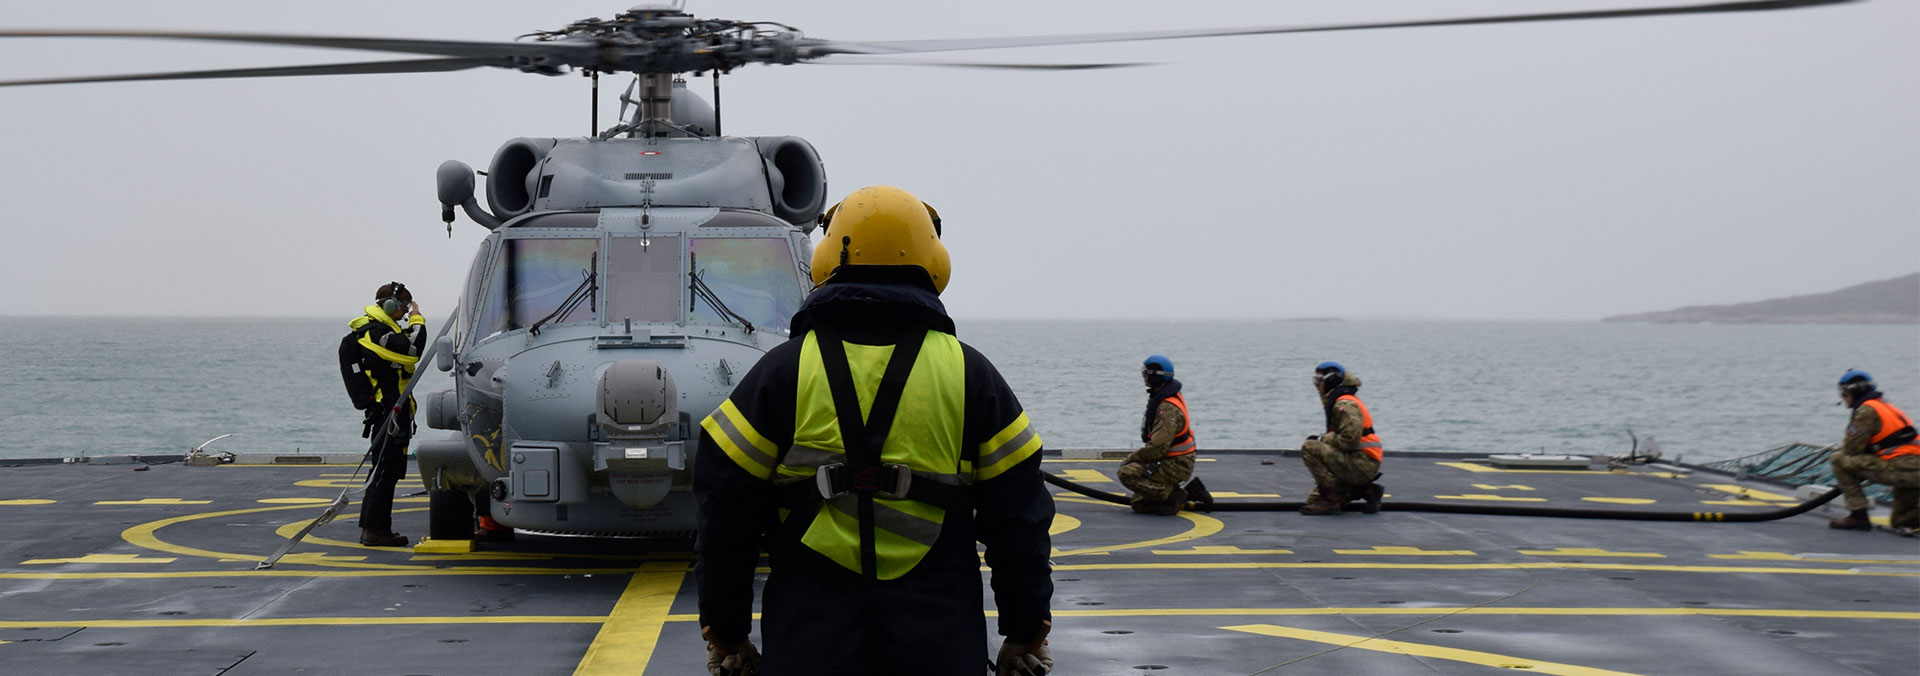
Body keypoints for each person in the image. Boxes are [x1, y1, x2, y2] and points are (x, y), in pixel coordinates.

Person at [693, 186, 1055, 676]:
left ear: (828, 258)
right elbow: (1020, 522)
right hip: (938, 637)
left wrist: (726, 633)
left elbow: (724, 518)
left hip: (811, 635)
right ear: (933, 261)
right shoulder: (971, 375)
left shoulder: (781, 373)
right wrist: (1024, 631)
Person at [346, 281, 426, 547]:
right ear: (389, 305)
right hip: (387, 413)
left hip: (392, 412)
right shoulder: (375, 333)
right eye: (403, 306)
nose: (405, 312)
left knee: (385, 470)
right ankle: (374, 530)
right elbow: (413, 350)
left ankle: (374, 527)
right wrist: (418, 321)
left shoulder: (384, 331)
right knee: (384, 470)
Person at [1826, 370, 1920, 535]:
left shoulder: (1866, 410)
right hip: (1913, 472)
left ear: (1854, 391)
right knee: (1901, 522)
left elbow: (1852, 449)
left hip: (1898, 469)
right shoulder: (1887, 407)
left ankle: (1858, 515)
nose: (1843, 397)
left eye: (1845, 392)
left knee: (1838, 459)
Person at [1298, 361, 1385, 516]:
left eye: (1318, 381)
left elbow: (1349, 440)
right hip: (1357, 461)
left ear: (1331, 380)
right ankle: (1367, 491)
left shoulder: (1345, 404)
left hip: (1361, 463)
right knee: (1312, 502)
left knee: (1309, 447)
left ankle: (1330, 503)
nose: (1316, 386)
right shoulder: (1341, 402)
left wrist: (1323, 439)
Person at [1117, 355, 1201, 516]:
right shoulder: (1165, 396)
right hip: (1172, 460)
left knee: (1126, 473)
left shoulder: (1167, 407)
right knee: (1139, 504)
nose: (1144, 377)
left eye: (1146, 373)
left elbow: (1158, 448)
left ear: (1155, 377)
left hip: (1176, 463)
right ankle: (1190, 491)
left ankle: (1173, 494)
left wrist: (1133, 457)